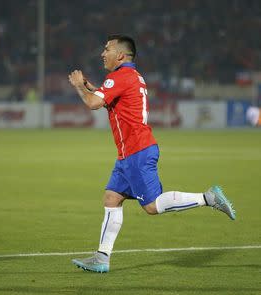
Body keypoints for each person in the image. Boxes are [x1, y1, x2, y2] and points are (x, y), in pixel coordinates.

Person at [67, 34, 236, 273]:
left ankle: (208, 197)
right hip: (130, 153)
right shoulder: (131, 76)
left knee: (153, 206)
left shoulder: (119, 77)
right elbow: (110, 100)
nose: (102, 54)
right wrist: (90, 87)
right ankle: (102, 257)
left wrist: (77, 86)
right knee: (112, 198)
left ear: (121, 55)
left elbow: (94, 104)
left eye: (107, 49)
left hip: (137, 151)